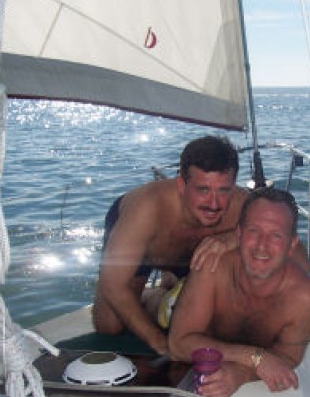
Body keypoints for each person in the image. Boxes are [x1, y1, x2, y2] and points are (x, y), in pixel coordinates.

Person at [92, 135, 250, 354]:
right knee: (109, 326)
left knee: (218, 318)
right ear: (182, 185)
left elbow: (285, 242)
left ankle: (175, 283)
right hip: (150, 250)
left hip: (196, 255)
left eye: (224, 190)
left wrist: (233, 238)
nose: (214, 204)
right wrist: (159, 342)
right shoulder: (147, 208)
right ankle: (151, 295)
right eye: (203, 190)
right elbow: (113, 285)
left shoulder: (243, 205)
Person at [168, 187, 310, 397]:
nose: (262, 246)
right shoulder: (212, 266)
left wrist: (241, 373)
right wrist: (254, 358)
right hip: (177, 303)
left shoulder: (306, 298)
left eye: (276, 235)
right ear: (239, 234)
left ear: (292, 245)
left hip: (213, 339)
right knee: (160, 307)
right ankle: (165, 286)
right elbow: (178, 345)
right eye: (254, 231)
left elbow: (288, 358)